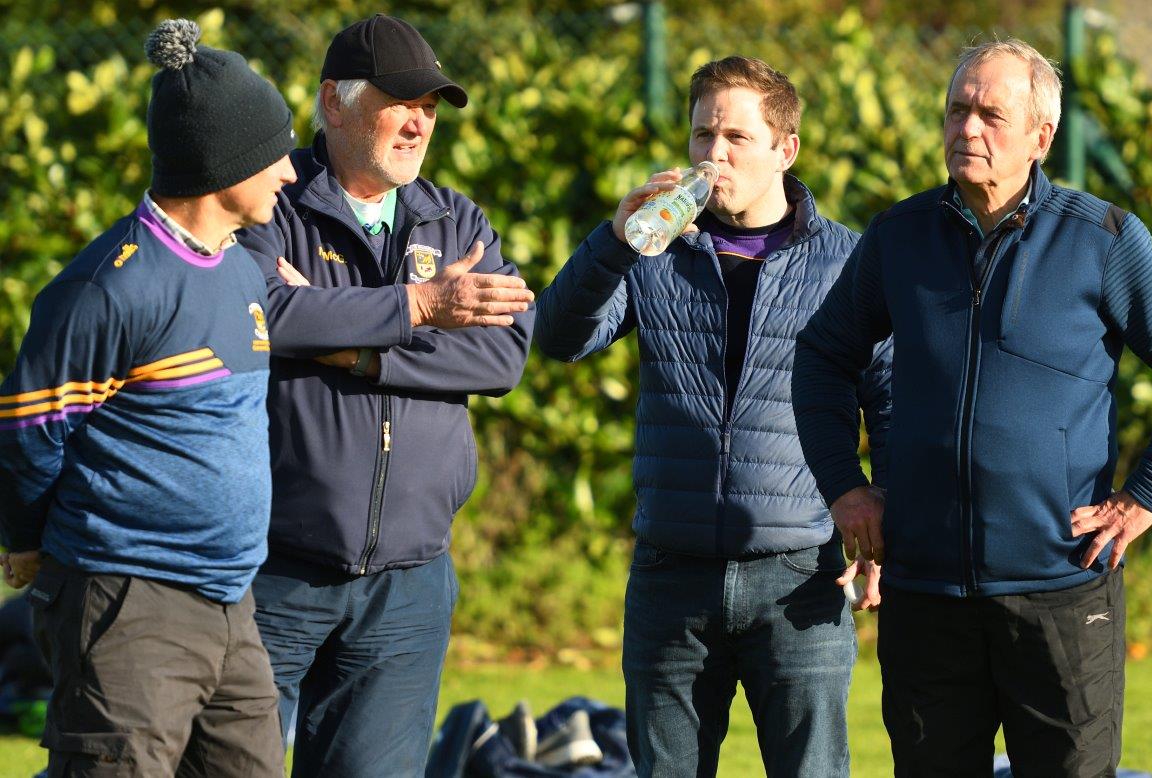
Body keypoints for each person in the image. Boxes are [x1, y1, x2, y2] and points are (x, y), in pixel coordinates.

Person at [793, 39, 1152, 777]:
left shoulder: (1102, 239)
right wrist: (844, 486)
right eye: (957, 110)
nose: (968, 129)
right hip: (926, 595)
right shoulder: (898, 237)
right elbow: (822, 357)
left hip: (1062, 590)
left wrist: (1144, 497)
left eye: (991, 114)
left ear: (1041, 136)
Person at [535, 56, 892, 777]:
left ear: (785, 150)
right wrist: (613, 240)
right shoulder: (653, 251)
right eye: (702, 135)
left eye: (734, 137)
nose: (713, 155)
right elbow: (560, 338)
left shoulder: (847, 261)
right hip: (672, 571)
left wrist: (885, 525)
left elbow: (889, 400)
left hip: (800, 576)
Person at [235, 14, 534, 777]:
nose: (417, 123)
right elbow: (265, 313)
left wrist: (361, 353)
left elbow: (501, 356)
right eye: (400, 102)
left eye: (430, 108)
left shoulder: (456, 217)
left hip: (409, 586)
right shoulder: (274, 201)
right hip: (274, 573)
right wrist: (423, 307)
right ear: (334, 103)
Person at [0, 19, 297, 776]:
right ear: (219, 160)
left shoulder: (238, 269)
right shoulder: (111, 286)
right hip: (128, 604)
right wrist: (27, 539)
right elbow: (28, 431)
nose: (289, 173)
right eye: (274, 153)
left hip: (234, 606)